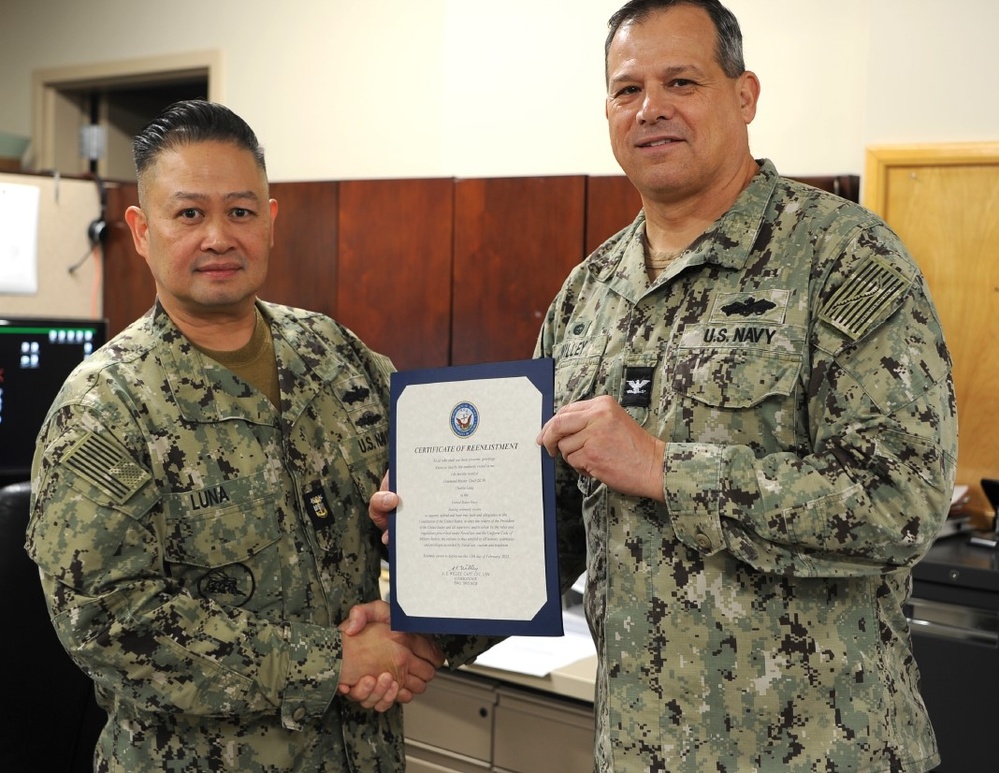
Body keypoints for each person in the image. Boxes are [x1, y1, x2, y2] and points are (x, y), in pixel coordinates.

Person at [373, 1, 958, 771]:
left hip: (820, 752)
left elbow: (899, 503)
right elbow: (555, 524)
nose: (649, 109)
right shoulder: (588, 294)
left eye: (679, 81)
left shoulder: (841, 258)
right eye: (626, 90)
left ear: (743, 95)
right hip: (640, 751)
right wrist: (433, 572)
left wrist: (664, 468)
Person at [25, 99, 444, 772]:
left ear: (270, 222)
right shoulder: (106, 406)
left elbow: (447, 486)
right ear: (140, 229)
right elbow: (109, 622)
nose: (218, 236)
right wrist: (332, 660)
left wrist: (425, 630)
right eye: (189, 213)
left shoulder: (337, 356)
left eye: (240, 212)